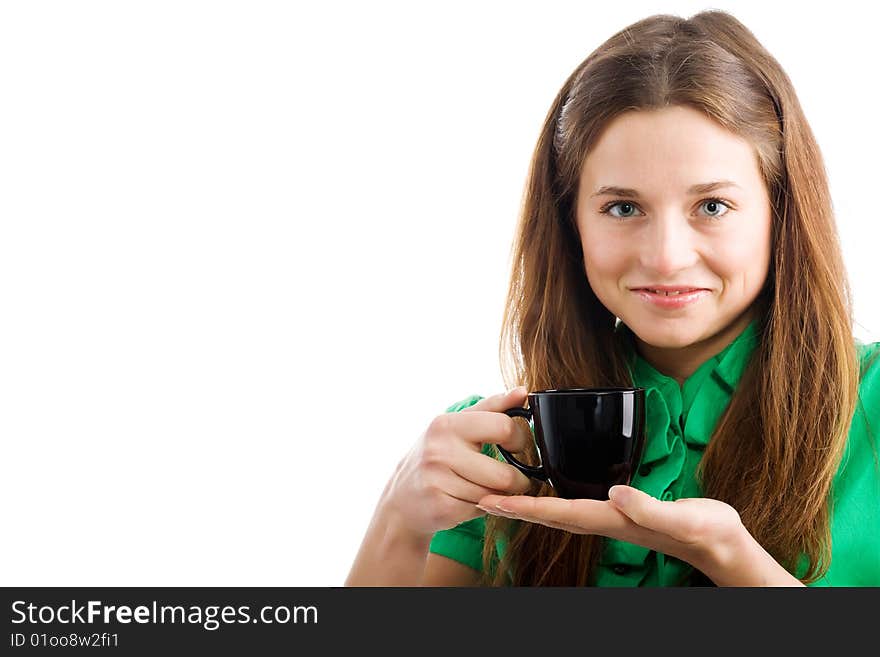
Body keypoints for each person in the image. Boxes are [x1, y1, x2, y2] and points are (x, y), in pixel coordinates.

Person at [344, 9, 880, 587]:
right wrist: (399, 520)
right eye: (623, 208)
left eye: (712, 207)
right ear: (570, 222)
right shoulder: (495, 448)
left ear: (781, 212)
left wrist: (735, 563)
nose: (666, 256)